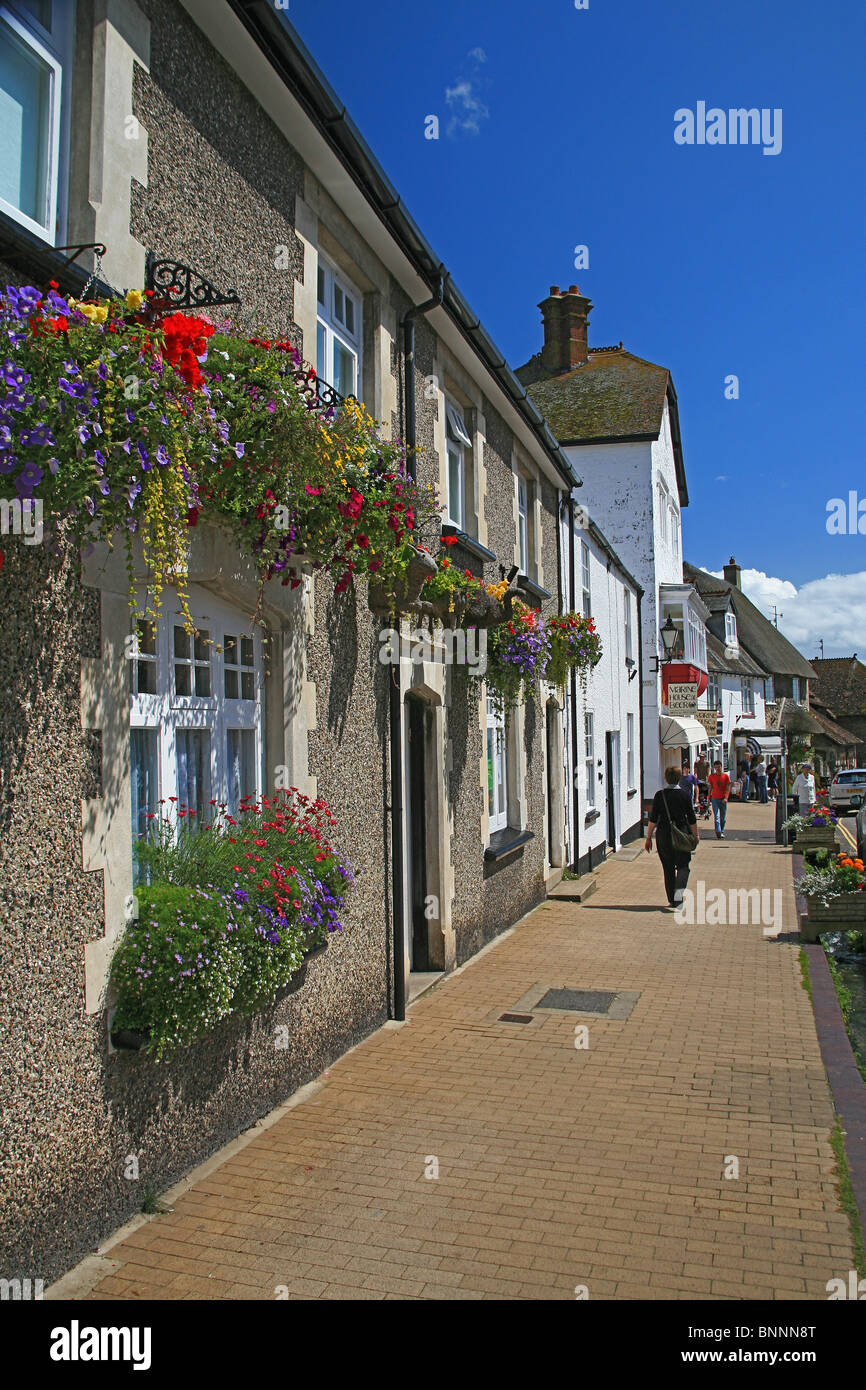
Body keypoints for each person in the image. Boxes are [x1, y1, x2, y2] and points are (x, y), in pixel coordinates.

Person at [645, 766, 699, 909]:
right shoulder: (685, 795)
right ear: (679, 778)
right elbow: (692, 818)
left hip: (663, 835)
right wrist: (695, 835)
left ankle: (671, 899)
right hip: (681, 834)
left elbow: (653, 819)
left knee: (667, 868)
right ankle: (678, 896)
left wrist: (648, 837)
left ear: (666, 778)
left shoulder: (659, 795)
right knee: (683, 866)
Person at [707, 760, 731, 838]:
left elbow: (728, 788)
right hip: (715, 799)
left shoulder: (725, 776)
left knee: (723, 818)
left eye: (719, 767)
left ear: (721, 767)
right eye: (716, 767)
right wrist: (708, 797)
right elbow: (710, 787)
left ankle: (722, 830)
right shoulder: (712, 776)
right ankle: (718, 831)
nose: (717, 769)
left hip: (723, 799)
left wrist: (726, 798)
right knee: (716, 816)